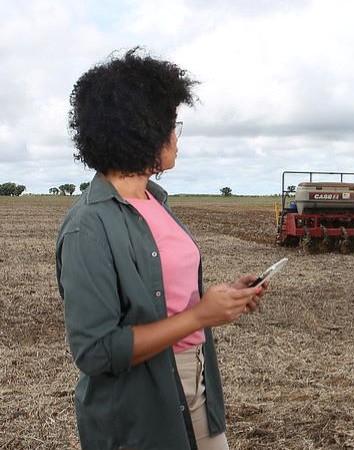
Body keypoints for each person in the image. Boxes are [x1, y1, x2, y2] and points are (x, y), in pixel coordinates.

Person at [56, 48, 265, 450]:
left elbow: (170, 300)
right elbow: (97, 352)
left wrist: (222, 300)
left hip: (197, 384)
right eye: (171, 123)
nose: (175, 136)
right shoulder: (87, 228)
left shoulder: (157, 202)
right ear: (141, 129)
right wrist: (199, 316)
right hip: (139, 410)